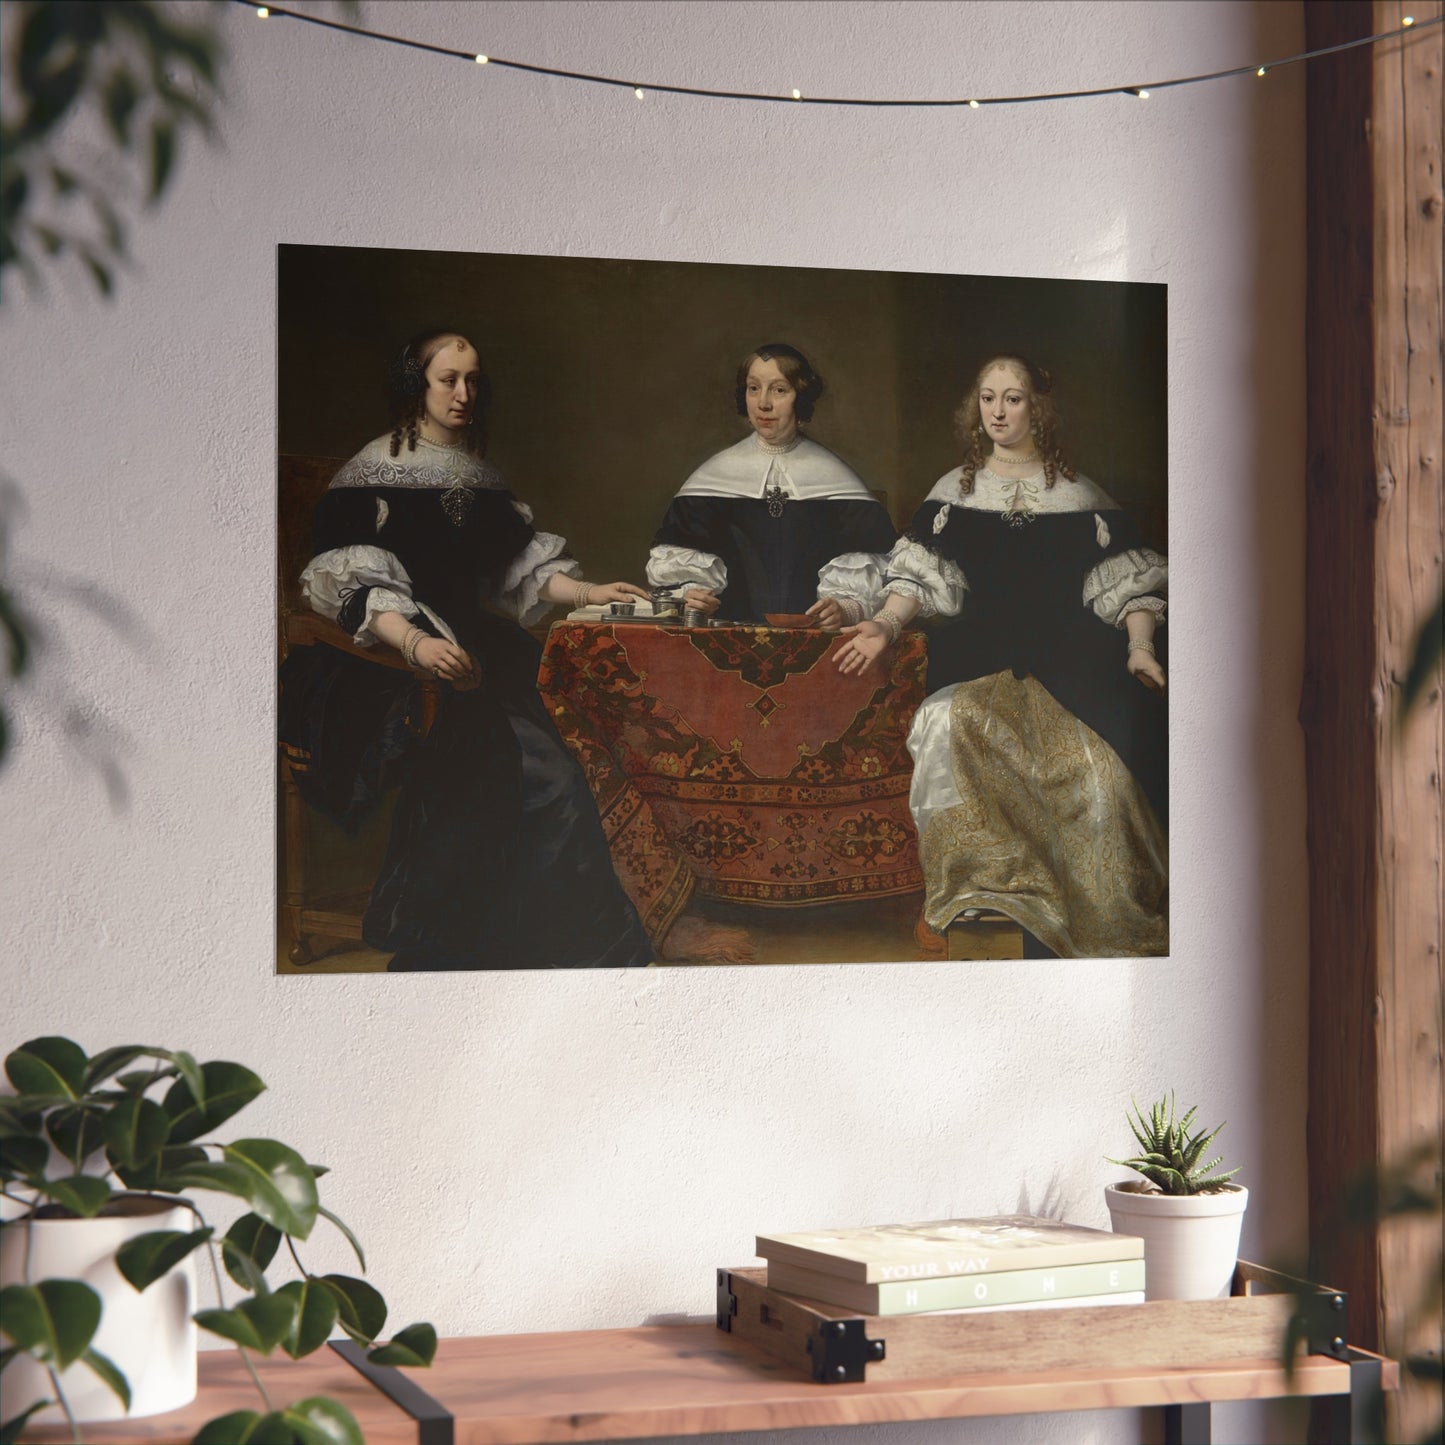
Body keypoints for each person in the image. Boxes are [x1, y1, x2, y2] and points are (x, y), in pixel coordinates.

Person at [279, 329, 655, 970]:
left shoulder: (481, 477)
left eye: (473, 380)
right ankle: (462, 940)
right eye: (447, 379)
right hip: (390, 657)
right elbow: (347, 585)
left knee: (573, 763)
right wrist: (417, 642)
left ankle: (539, 940)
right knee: (522, 773)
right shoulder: (373, 472)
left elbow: (519, 574)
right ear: (416, 387)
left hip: (478, 652)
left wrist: (592, 589)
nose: (463, 393)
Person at [832, 355, 1168, 958]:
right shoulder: (952, 494)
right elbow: (918, 579)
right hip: (979, 662)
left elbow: (1128, 584)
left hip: (1072, 668)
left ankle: (1091, 922)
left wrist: (1140, 647)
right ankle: (983, 892)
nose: (998, 412)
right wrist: (883, 626)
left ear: (1038, 409)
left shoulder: (1081, 496)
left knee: (1101, 782)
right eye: (988, 398)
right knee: (943, 721)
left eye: (1013, 399)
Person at [646, 343, 897, 626]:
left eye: (779, 390)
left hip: (816, 642)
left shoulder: (837, 478)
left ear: (799, 397)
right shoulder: (711, 477)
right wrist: (690, 596)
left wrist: (847, 608)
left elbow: (870, 566)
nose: (763, 403)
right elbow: (681, 570)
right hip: (726, 638)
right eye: (754, 388)